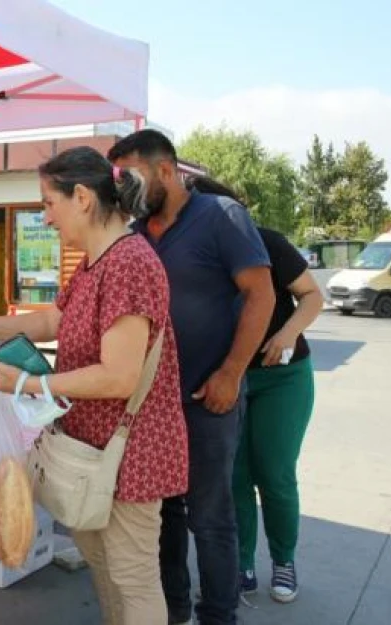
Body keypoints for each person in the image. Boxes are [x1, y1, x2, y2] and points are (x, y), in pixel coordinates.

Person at [0, 146, 188, 625]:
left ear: (81, 197)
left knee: (133, 577)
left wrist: (32, 385)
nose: (46, 216)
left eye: (48, 202)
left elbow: (119, 375)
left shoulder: (128, 263)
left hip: (130, 454)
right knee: (105, 569)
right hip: (92, 450)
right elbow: (55, 319)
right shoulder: (94, 262)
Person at [108, 130, 275, 625]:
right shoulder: (134, 232)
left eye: (130, 174)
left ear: (165, 171)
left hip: (209, 398)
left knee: (210, 516)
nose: (123, 187)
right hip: (152, 403)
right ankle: (173, 610)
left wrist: (231, 373)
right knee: (163, 515)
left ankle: (218, 615)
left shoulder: (221, 218)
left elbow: (261, 296)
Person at [185, 176, 321, 604]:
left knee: (275, 473)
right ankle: (242, 562)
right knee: (235, 476)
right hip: (230, 376)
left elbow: (313, 297)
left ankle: (284, 559)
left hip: (282, 377)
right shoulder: (198, 254)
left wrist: (286, 333)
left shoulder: (267, 243)